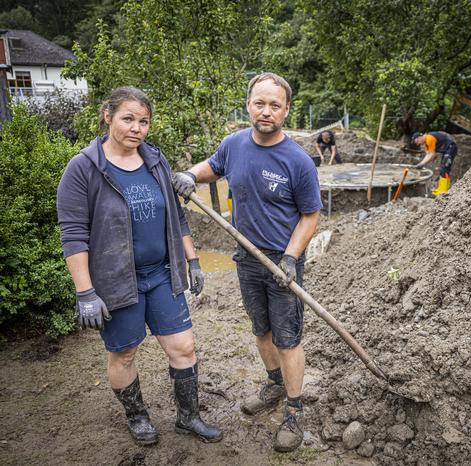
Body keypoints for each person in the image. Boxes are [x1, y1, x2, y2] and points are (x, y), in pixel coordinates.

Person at [56, 87, 222, 446]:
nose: (137, 128)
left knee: (184, 347)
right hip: (117, 282)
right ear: (107, 116)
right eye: (128, 119)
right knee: (125, 351)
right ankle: (137, 416)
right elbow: (73, 235)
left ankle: (188, 417)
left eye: (143, 121)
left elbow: (177, 217)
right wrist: (85, 292)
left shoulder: (155, 160)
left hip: (161, 274)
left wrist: (192, 260)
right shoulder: (84, 169)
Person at [172, 72, 322, 453]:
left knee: (288, 339)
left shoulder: (298, 161)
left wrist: (291, 257)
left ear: (286, 110)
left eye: (275, 105)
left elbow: (310, 215)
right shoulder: (234, 144)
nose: (266, 111)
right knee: (261, 330)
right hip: (246, 258)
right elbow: (214, 166)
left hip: (281, 263)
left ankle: (293, 409)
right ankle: (274, 383)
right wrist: (191, 174)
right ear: (249, 105)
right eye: (260, 103)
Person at [412, 131, 459, 195]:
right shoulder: (426, 143)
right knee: (444, 169)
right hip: (447, 150)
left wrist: (421, 164)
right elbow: (429, 154)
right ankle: (442, 189)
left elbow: (431, 154)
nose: (417, 144)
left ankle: (443, 190)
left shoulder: (429, 138)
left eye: (417, 141)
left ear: (420, 137)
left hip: (451, 148)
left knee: (444, 169)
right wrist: (422, 163)